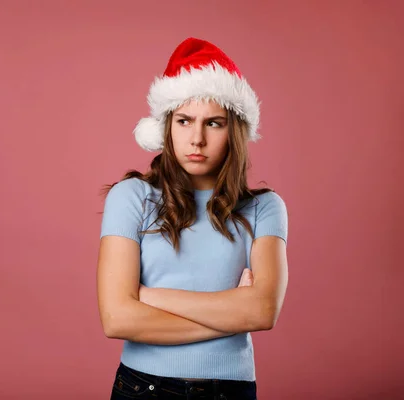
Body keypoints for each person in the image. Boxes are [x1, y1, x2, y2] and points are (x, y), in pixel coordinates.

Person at [96, 37, 289, 400]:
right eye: (184, 121)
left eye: (214, 123)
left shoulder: (265, 208)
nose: (197, 139)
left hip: (230, 391)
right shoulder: (132, 198)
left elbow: (262, 312)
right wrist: (231, 313)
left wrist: (149, 297)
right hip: (144, 388)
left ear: (234, 131)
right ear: (167, 126)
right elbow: (117, 319)